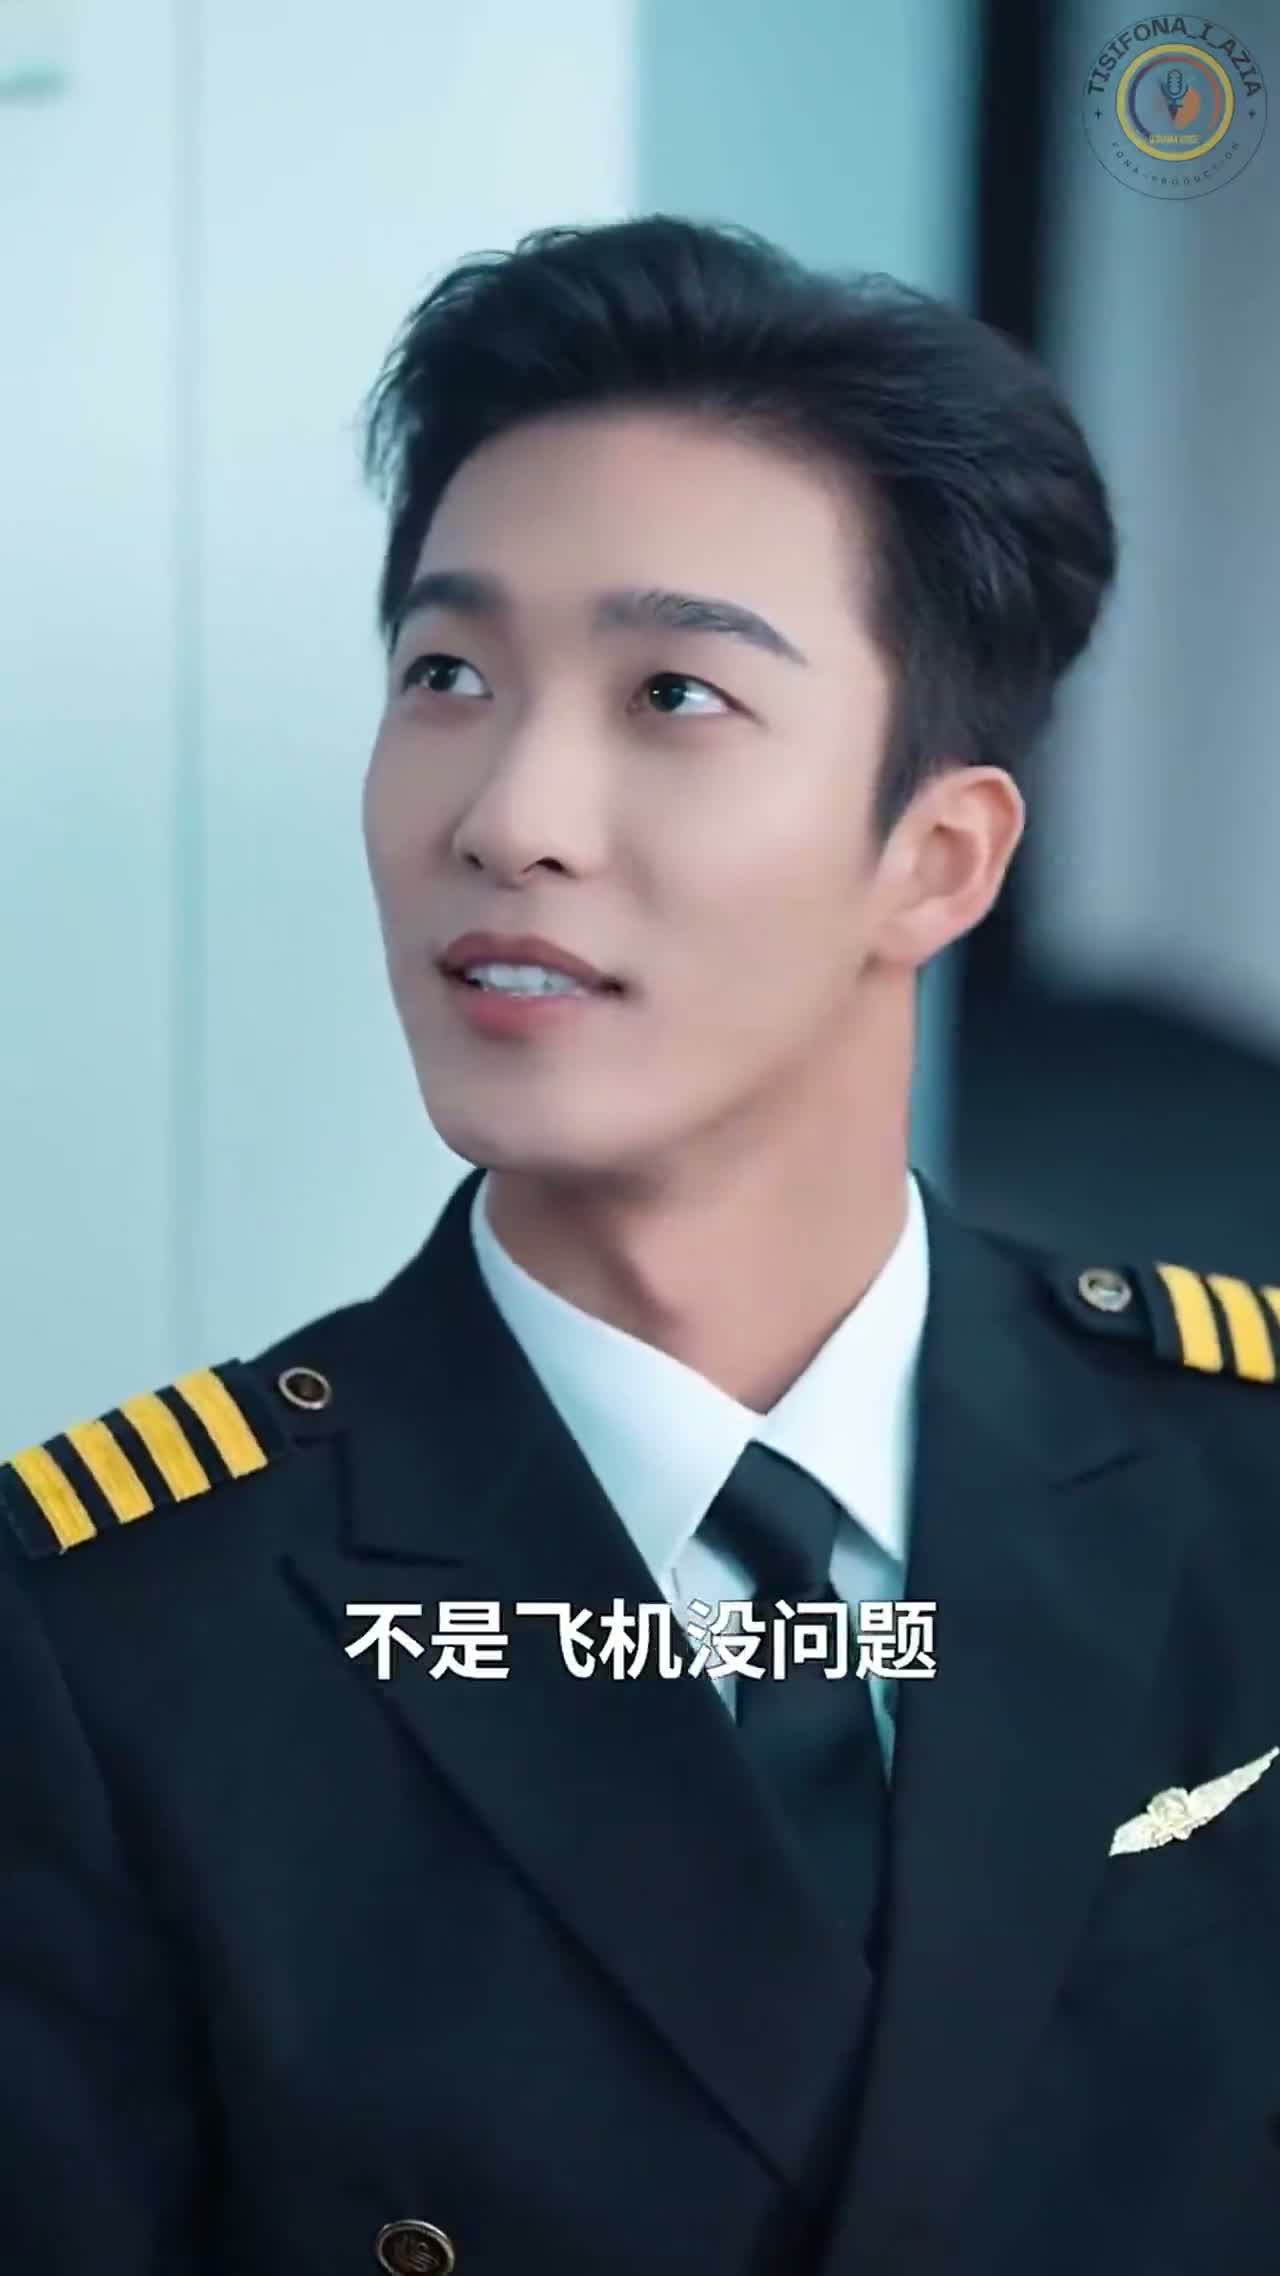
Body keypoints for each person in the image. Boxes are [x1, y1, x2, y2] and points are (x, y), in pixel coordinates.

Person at [1, 213, 1277, 2276]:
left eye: (673, 691)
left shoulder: (1241, 1475)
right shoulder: (110, 1640)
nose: (510, 813)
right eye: (447, 675)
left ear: (934, 859)